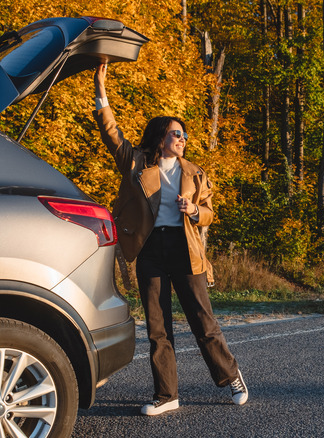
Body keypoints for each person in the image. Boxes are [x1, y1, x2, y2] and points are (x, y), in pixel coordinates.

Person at [91, 63, 248, 416]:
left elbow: (209, 214)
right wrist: (101, 88)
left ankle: (231, 376)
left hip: (185, 249)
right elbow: (110, 131)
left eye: (185, 136)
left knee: (203, 323)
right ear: (161, 135)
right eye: (176, 133)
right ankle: (166, 395)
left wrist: (193, 210)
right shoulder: (136, 164)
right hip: (150, 250)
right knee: (157, 328)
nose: (182, 139)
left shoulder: (194, 173)